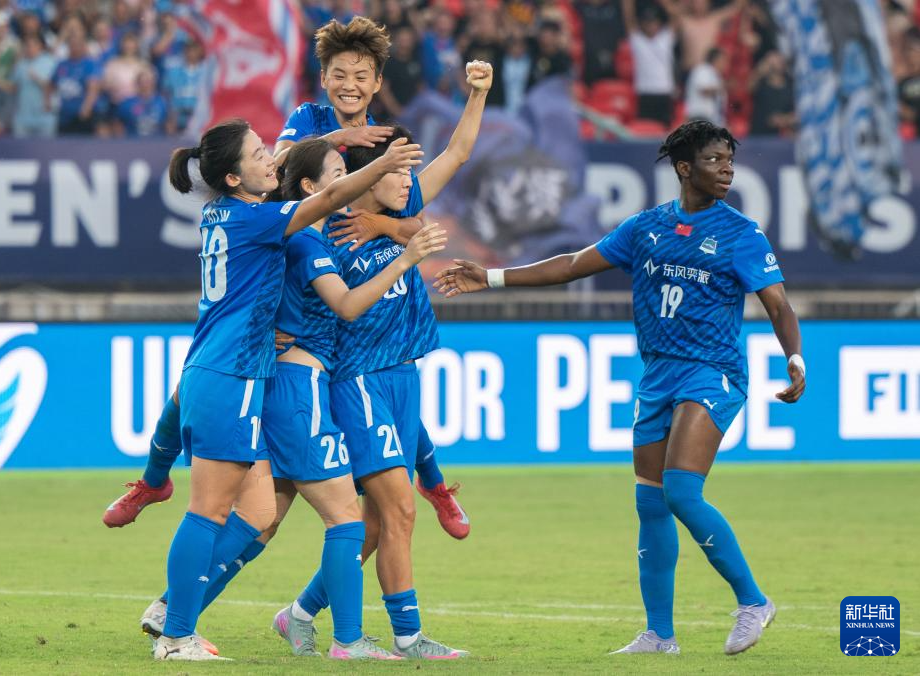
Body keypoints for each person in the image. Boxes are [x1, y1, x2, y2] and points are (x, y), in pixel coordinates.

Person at [434, 120, 805, 656]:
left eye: (729, 160)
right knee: (650, 502)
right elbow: (571, 265)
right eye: (714, 160)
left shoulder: (741, 234)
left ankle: (753, 601)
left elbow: (779, 305)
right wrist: (492, 277)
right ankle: (659, 635)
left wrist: (794, 357)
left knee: (681, 491)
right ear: (684, 168)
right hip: (657, 376)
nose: (727, 170)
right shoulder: (645, 227)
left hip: (712, 372)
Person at [149, 118, 422, 662]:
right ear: (233, 177)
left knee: (256, 514)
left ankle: (172, 615)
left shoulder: (222, 212)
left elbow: (292, 172)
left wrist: (336, 143)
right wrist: (381, 166)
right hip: (234, 374)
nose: (269, 158)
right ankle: (177, 634)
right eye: (257, 154)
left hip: (227, 369)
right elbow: (329, 197)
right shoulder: (263, 221)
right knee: (210, 511)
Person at [274, 60, 492, 661]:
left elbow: (457, 153)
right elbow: (286, 220)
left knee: (376, 525)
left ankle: (298, 615)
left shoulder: (394, 213)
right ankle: (408, 637)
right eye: (397, 171)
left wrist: (477, 94)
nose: (409, 182)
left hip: (402, 373)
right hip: (358, 379)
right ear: (366, 178)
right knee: (396, 511)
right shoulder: (328, 228)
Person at [274, 16, 395, 163]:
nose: (349, 86)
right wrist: (338, 138)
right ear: (323, 79)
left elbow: (410, 179)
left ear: (377, 83)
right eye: (339, 76)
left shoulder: (382, 141)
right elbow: (276, 166)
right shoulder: (308, 116)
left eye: (360, 78)